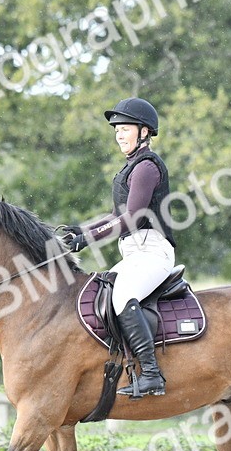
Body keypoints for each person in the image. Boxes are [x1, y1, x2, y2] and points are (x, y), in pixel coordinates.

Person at [63, 97, 176, 398]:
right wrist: (80, 231)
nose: (120, 136)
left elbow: (131, 219)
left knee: (123, 294)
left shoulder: (147, 167)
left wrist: (87, 240)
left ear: (144, 132)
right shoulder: (129, 170)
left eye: (125, 129)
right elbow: (114, 217)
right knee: (103, 292)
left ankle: (151, 374)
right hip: (134, 254)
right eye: (117, 131)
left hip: (153, 252)